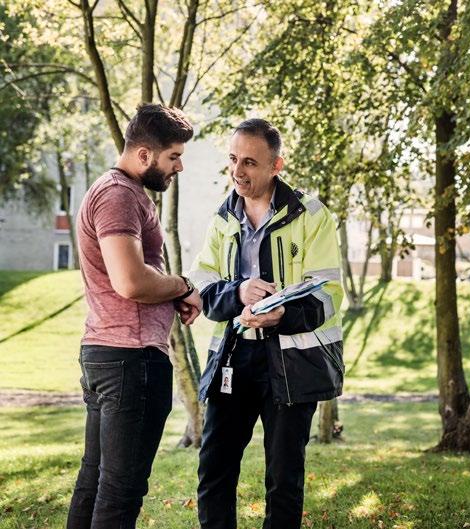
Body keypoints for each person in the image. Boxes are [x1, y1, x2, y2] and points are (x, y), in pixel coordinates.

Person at [189, 118, 344, 529]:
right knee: (214, 470)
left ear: (277, 166)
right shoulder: (222, 219)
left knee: (284, 479)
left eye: (250, 163)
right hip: (234, 357)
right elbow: (203, 287)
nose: (238, 172)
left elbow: (329, 292)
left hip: (292, 361)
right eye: (233, 160)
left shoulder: (311, 215)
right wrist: (238, 294)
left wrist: (283, 315)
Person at [67, 104, 202, 529]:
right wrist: (181, 285)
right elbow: (129, 281)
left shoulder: (115, 191)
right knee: (119, 492)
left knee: (96, 483)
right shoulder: (119, 195)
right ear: (144, 154)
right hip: (131, 360)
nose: (179, 166)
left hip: (109, 353)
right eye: (173, 156)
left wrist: (166, 289)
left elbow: (135, 278)